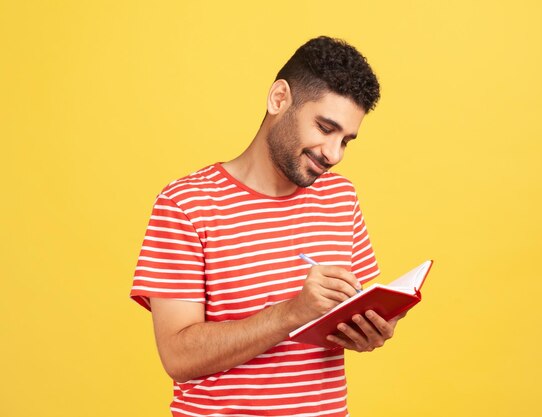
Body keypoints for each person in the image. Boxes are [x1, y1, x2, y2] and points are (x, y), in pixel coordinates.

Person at [130, 36, 404, 417]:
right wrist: (292, 312)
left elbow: (352, 308)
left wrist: (368, 329)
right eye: (325, 128)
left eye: (346, 140)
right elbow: (177, 356)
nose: (333, 154)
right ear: (279, 99)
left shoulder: (341, 197)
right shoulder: (186, 204)